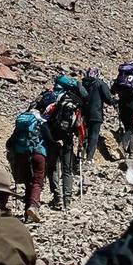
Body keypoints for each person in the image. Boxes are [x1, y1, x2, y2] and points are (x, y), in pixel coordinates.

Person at [45, 74, 85, 211]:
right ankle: (67, 200)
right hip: (68, 138)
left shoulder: (52, 98)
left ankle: (57, 197)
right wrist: (80, 141)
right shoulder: (73, 101)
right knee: (67, 169)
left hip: (53, 137)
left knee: (53, 168)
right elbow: (79, 124)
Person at [5, 105, 50, 225]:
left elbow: (9, 142)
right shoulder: (41, 122)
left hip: (22, 155)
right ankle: (34, 207)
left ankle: (26, 213)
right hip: (38, 153)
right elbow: (49, 138)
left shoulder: (20, 124)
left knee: (27, 182)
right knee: (37, 181)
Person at [81, 67, 116, 169]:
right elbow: (108, 99)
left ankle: (81, 156)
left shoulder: (82, 83)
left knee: (84, 135)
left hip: (84, 113)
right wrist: (115, 101)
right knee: (94, 135)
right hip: (96, 113)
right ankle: (89, 158)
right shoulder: (99, 83)